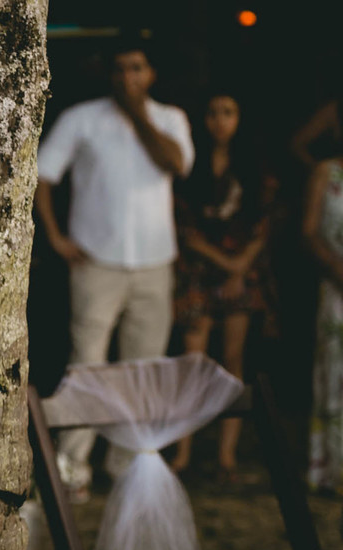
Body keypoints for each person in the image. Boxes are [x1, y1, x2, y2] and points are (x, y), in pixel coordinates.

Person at [34, 35, 194, 501]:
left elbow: (177, 163)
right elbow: (42, 176)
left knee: (143, 368)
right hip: (95, 262)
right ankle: (72, 468)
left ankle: (128, 467)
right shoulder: (81, 118)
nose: (128, 77)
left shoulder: (170, 119)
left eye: (137, 68)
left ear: (151, 74)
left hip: (154, 262)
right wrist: (55, 237)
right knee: (87, 364)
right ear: (109, 74)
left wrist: (138, 115)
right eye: (120, 69)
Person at [170, 92, 271, 481]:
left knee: (232, 361)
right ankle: (183, 452)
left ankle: (226, 455)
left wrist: (238, 269)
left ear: (240, 118)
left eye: (228, 113)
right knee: (192, 362)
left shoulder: (254, 168)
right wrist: (227, 264)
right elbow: (186, 230)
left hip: (239, 274)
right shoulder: (190, 165)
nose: (220, 121)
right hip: (199, 271)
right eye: (212, 113)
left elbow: (262, 226)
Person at [303, 154, 343, 494]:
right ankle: (333, 468)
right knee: (334, 374)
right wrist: (334, 265)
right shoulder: (326, 172)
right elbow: (310, 232)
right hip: (337, 286)